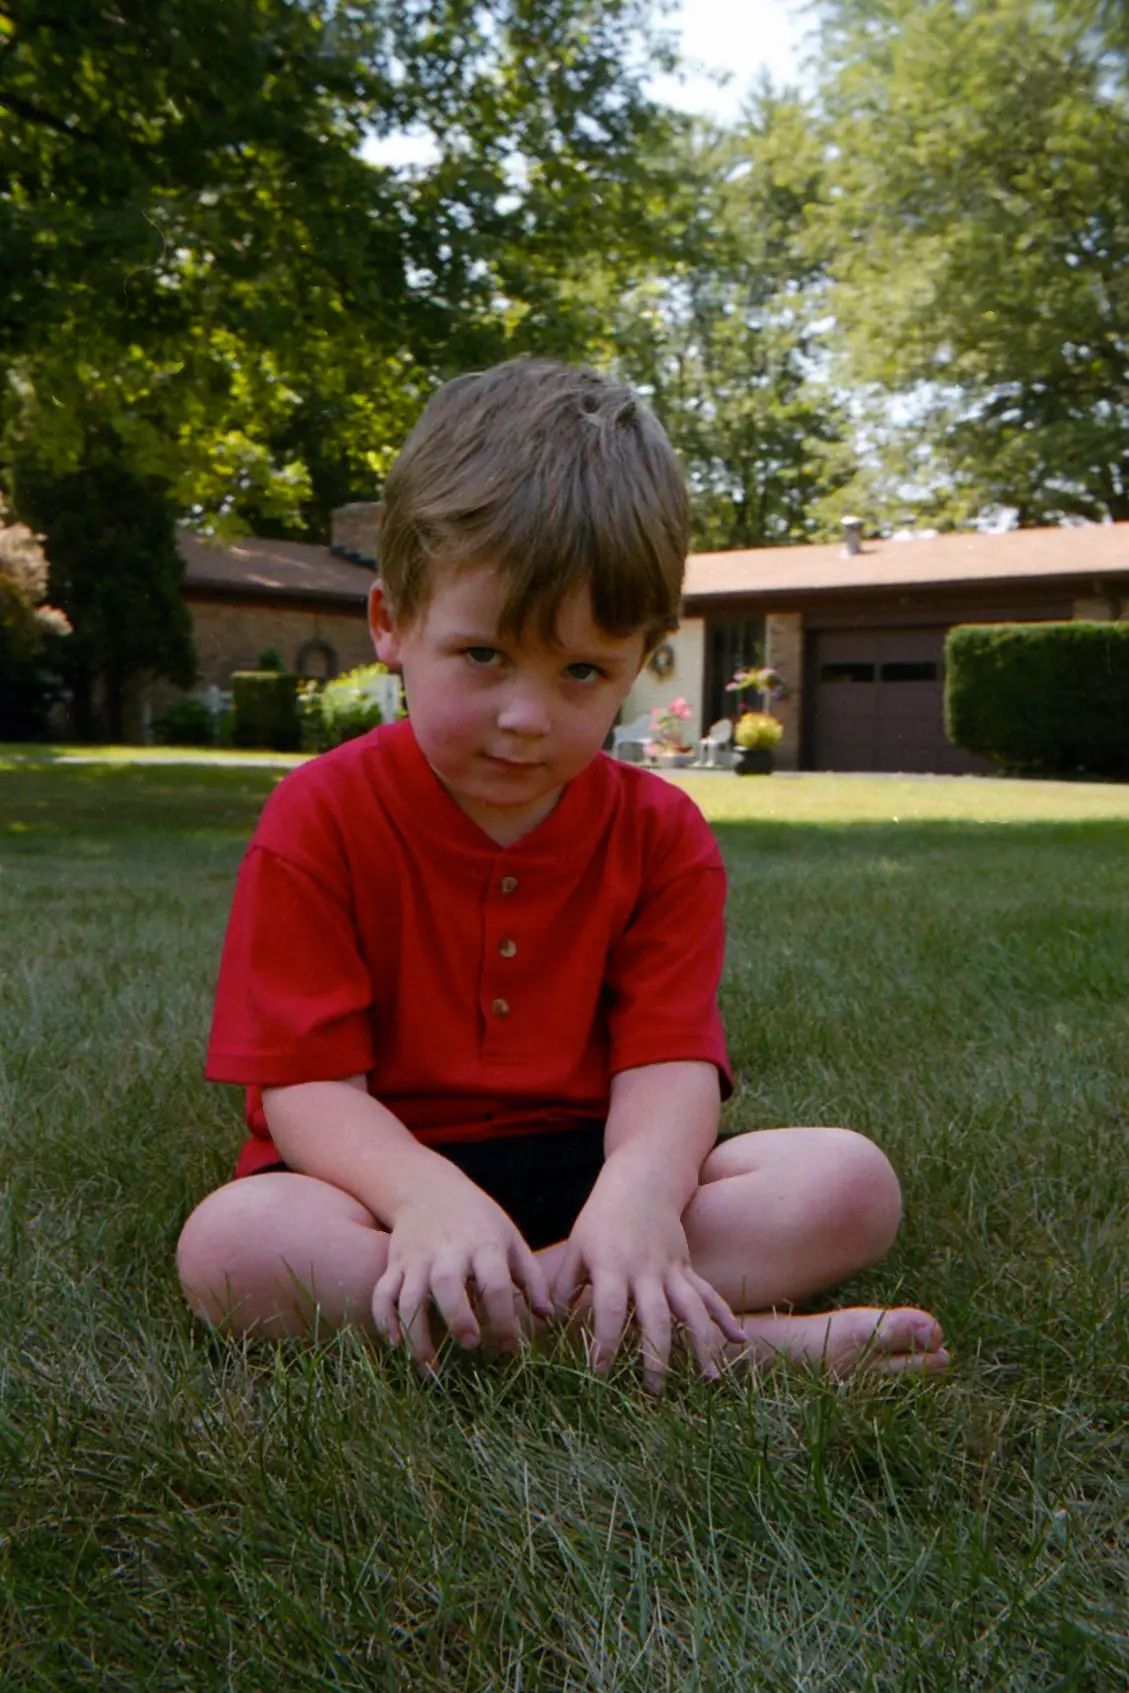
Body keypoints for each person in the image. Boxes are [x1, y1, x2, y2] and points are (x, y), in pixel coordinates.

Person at [177, 358, 947, 1390]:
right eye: (484, 655)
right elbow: (309, 1086)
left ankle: (533, 1313)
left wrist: (636, 1194)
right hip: (375, 1184)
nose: (527, 716)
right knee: (234, 1247)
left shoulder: (661, 835)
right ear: (390, 623)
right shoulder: (317, 817)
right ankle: (721, 1343)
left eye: (581, 671)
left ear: (636, 661)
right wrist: (424, 1200)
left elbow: (667, 1059)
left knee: (849, 1182)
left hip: (596, 1166)